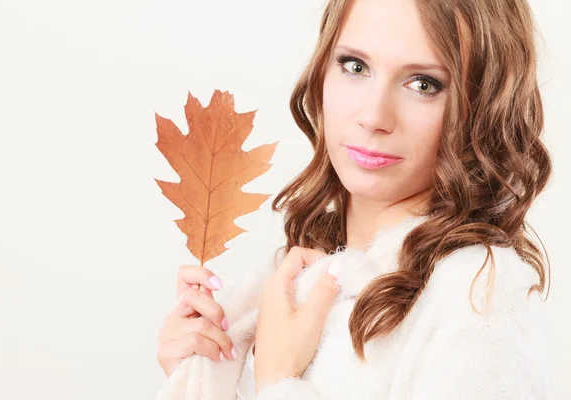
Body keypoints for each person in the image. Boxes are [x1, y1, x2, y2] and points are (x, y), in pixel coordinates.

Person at [155, 0, 553, 398]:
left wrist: (278, 381)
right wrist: (200, 373)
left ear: (481, 108)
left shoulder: (479, 293)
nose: (374, 115)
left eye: (423, 84)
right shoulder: (288, 279)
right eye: (355, 66)